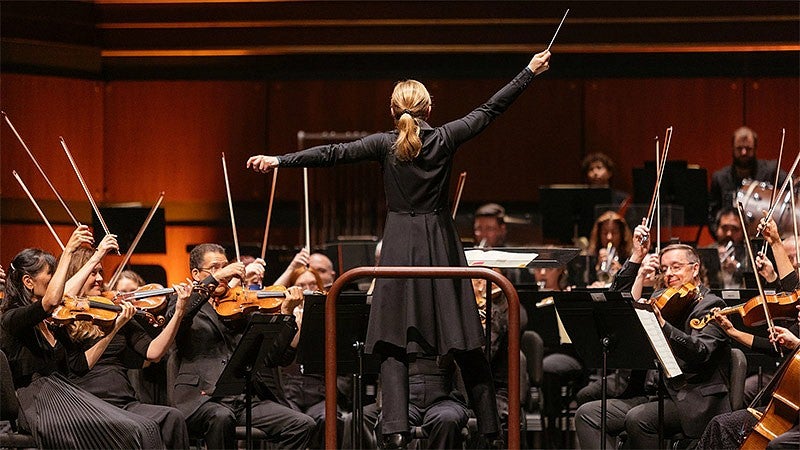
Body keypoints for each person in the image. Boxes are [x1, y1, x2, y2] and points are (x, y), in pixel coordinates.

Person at [248, 48, 551, 448]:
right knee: (462, 334)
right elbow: (491, 109)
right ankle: (493, 433)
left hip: (398, 246)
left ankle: (394, 431)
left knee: (393, 338)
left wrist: (279, 160)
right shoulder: (444, 137)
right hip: (440, 245)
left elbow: (331, 155)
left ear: (393, 110)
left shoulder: (383, 144)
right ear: (429, 107)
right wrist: (529, 71)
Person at [0, 225, 163, 448]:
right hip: (38, 404)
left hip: (64, 395)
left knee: (147, 427)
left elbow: (79, 365)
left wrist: (113, 329)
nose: (58, 280)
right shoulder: (12, 318)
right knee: (132, 432)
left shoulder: (54, 325)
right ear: (29, 282)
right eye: (52, 274)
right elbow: (51, 301)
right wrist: (69, 251)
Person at [575, 221, 732, 449]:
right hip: (654, 394)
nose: (669, 274)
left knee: (639, 419)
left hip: (691, 398)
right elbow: (615, 302)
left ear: (695, 268)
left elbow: (701, 351)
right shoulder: (661, 297)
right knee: (588, 413)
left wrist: (663, 325)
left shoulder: (710, 304)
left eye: (676, 267)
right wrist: (636, 257)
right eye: (664, 269)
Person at [167, 243, 315, 449]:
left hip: (245, 400)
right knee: (221, 417)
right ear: (196, 273)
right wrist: (216, 278)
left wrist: (287, 313)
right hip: (201, 400)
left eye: (225, 266)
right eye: (215, 268)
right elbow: (178, 319)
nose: (224, 274)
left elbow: (274, 358)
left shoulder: (240, 306)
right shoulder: (181, 301)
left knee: (302, 424)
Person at [63, 241, 191, 449]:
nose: (100, 279)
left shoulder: (115, 311)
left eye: (101, 272)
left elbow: (154, 352)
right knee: (143, 427)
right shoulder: (65, 317)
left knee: (172, 417)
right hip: (89, 402)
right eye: (92, 273)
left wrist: (179, 312)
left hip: (123, 400)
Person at [708, 126, 786, 235]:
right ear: (732, 148)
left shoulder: (771, 171)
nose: (744, 152)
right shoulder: (720, 177)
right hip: (731, 238)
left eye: (748, 148)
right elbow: (711, 214)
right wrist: (721, 236)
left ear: (755, 148)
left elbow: (793, 187)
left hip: (763, 237)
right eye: (739, 148)